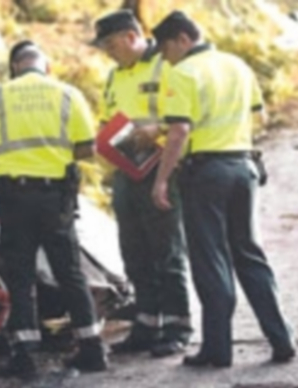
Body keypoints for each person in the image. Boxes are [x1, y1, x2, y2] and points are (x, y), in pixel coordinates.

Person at [150, 11, 296, 367]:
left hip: (206, 173)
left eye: (166, 47)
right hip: (243, 167)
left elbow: (179, 131)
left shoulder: (183, 73)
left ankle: (217, 350)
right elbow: (255, 113)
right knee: (249, 253)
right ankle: (282, 339)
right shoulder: (237, 64)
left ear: (183, 39)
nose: (164, 56)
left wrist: (162, 179)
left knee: (210, 259)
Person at [0, 40, 107, 381]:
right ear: (45, 67)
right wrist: (53, 155)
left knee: (20, 276)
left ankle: (24, 356)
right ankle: (92, 348)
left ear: (16, 66)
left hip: (14, 197)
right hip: (55, 198)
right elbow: (88, 148)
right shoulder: (67, 94)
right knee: (70, 272)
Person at [91, 9, 192, 357]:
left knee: (166, 250)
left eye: (109, 43)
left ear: (130, 36)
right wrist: (101, 140)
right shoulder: (114, 76)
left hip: (163, 168)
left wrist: (159, 132)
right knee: (134, 250)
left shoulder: (165, 64)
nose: (106, 50)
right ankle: (148, 325)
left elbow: (185, 116)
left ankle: (178, 326)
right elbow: (108, 118)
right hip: (126, 172)